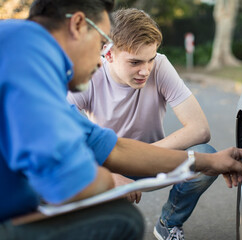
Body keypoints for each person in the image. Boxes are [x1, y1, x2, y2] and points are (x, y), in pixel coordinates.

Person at [0, 0, 242, 239]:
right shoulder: (26, 60)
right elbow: (68, 182)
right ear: (77, 25)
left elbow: (109, 146)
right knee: (122, 220)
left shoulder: (25, 47)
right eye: (101, 43)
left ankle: (169, 222)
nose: (100, 58)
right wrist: (110, 179)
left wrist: (208, 160)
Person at [67, 8, 216, 240]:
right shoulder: (87, 74)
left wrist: (142, 155)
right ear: (108, 54)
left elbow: (200, 129)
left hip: (155, 161)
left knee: (206, 155)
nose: (145, 70)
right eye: (135, 62)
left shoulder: (160, 66)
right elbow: (65, 142)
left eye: (150, 59)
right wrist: (109, 175)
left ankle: (169, 222)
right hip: (108, 165)